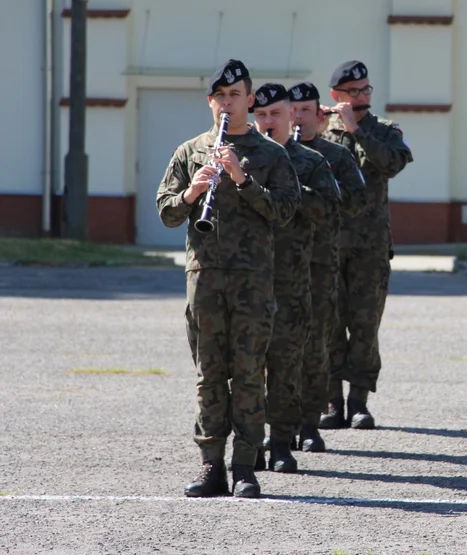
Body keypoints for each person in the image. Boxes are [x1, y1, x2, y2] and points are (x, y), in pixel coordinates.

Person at [156, 59, 301, 498]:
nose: (226, 103)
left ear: (250, 100)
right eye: (219, 96)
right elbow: (165, 211)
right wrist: (192, 192)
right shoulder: (190, 151)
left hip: (253, 282)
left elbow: (285, 211)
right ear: (210, 102)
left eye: (235, 95)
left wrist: (242, 178)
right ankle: (211, 465)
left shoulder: (272, 155)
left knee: (250, 373)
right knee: (210, 374)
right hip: (205, 279)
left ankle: (245, 467)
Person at [250, 83, 340, 471]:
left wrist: (292, 189)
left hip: (293, 279)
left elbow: (331, 209)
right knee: (247, 367)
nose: (269, 122)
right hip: (249, 278)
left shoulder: (311, 161)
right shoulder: (241, 158)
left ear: (292, 116)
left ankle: (283, 441)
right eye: (263, 115)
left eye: (277, 115)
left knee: (288, 363)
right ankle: (250, 442)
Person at [320, 60, 413, 429]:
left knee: (365, 324)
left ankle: (359, 400)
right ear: (335, 96)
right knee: (328, 323)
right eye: (353, 91)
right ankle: (331, 401)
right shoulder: (320, 133)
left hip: (370, 246)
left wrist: (356, 129)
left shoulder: (384, 131)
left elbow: (391, 163)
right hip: (327, 245)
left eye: (365, 90)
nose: (361, 96)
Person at [288, 81, 367, 451]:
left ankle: (309, 421)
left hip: (319, 264)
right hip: (274, 266)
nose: (298, 118)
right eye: (293, 110)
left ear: (320, 116)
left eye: (305, 111)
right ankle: (276, 425)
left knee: (316, 345)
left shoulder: (334, 156)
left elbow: (353, 201)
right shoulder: (270, 154)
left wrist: (318, 189)